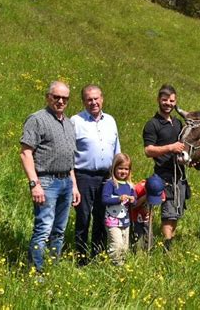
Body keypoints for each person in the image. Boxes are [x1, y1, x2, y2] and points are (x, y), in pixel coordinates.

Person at [20, 81, 81, 273]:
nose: (61, 101)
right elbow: (25, 153)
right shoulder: (37, 119)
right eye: (57, 97)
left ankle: (52, 268)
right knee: (43, 229)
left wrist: (74, 185)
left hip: (66, 182)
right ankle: (36, 272)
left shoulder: (69, 123)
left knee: (59, 230)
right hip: (46, 182)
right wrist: (34, 184)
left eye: (65, 98)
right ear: (48, 97)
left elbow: (69, 158)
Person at [71, 84, 121, 265]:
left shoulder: (111, 121)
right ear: (84, 101)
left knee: (102, 217)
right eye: (89, 99)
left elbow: (117, 150)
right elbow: (70, 153)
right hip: (84, 176)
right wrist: (73, 182)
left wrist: (117, 178)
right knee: (83, 217)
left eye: (96, 98)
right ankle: (81, 258)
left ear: (102, 99)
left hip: (106, 177)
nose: (93, 102)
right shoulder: (76, 121)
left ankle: (98, 255)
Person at [142, 84, 190, 252]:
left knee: (176, 212)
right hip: (164, 176)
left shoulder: (178, 123)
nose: (168, 103)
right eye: (165, 100)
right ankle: (167, 248)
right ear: (158, 100)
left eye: (171, 101)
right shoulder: (152, 124)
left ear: (175, 102)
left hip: (180, 175)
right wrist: (170, 148)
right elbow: (148, 150)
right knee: (168, 214)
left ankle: (169, 242)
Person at [101, 153, 136, 266]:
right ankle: (115, 265)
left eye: (126, 169)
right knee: (116, 244)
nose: (123, 172)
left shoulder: (129, 185)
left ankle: (122, 265)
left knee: (124, 247)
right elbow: (104, 200)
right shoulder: (110, 184)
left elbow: (134, 201)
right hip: (112, 221)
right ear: (114, 168)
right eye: (120, 168)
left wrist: (132, 200)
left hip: (125, 222)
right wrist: (118, 199)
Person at [130, 176, 165, 251]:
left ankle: (148, 250)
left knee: (149, 234)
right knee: (138, 235)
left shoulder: (158, 188)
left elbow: (163, 198)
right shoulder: (137, 189)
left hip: (148, 215)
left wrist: (150, 212)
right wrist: (143, 198)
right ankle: (138, 252)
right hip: (136, 216)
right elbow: (132, 206)